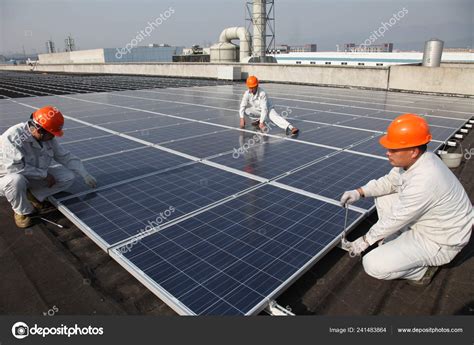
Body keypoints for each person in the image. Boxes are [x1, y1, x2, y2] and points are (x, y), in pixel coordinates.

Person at [340, 113, 473, 286]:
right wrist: (359, 192)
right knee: (384, 197)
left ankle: (421, 271)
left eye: (393, 149)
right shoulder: (418, 160)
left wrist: (365, 241)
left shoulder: (425, 179)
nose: (388, 153)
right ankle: (398, 243)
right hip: (432, 223)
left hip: (441, 240)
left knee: (372, 264)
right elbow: (389, 182)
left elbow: (398, 216)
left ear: (413, 151)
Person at [0, 106, 97, 228]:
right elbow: (14, 168)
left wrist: (84, 174)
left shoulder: (47, 137)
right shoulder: (13, 137)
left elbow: (64, 156)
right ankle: (22, 212)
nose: (53, 137)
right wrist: (44, 175)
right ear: (38, 129)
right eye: (51, 134)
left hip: (33, 174)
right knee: (15, 181)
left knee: (68, 177)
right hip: (5, 178)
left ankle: (34, 197)